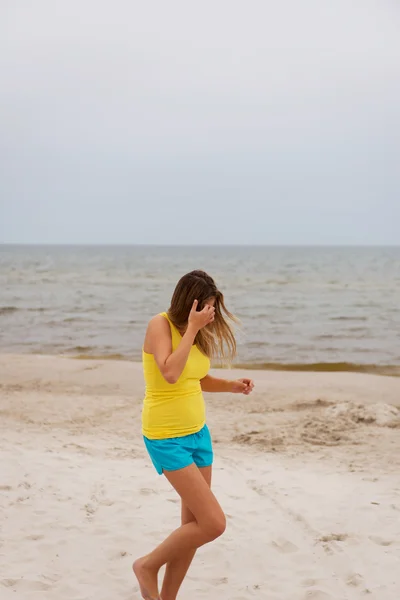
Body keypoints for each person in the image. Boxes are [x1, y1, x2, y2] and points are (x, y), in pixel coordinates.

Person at [133, 270, 254, 600]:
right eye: (207, 308)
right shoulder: (159, 325)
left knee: (194, 526)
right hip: (165, 437)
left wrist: (230, 386)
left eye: (214, 308)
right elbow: (171, 372)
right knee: (214, 524)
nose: (212, 315)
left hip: (198, 436)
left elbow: (195, 378)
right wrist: (193, 329)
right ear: (191, 303)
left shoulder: (198, 334)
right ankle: (146, 566)